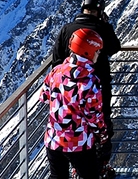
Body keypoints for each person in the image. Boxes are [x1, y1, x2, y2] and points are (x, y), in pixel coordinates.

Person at [51, 0, 121, 177]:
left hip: (63, 107)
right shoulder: (101, 29)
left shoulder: (67, 29)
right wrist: (106, 24)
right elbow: (115, 47)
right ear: (100, 11)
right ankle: (100, 166)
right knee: (100, 127)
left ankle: (78, 167)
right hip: (97, 91)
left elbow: (56, 60)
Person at [41, 28, 109, 179]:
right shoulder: (90, 82)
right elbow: (94, 116)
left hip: (53, 138)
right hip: (78, 142)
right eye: (97, 51)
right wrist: (102, 134)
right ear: (88, 52)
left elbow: (45, 97)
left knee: (57, 176)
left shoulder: (56, 71)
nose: (98, 54)